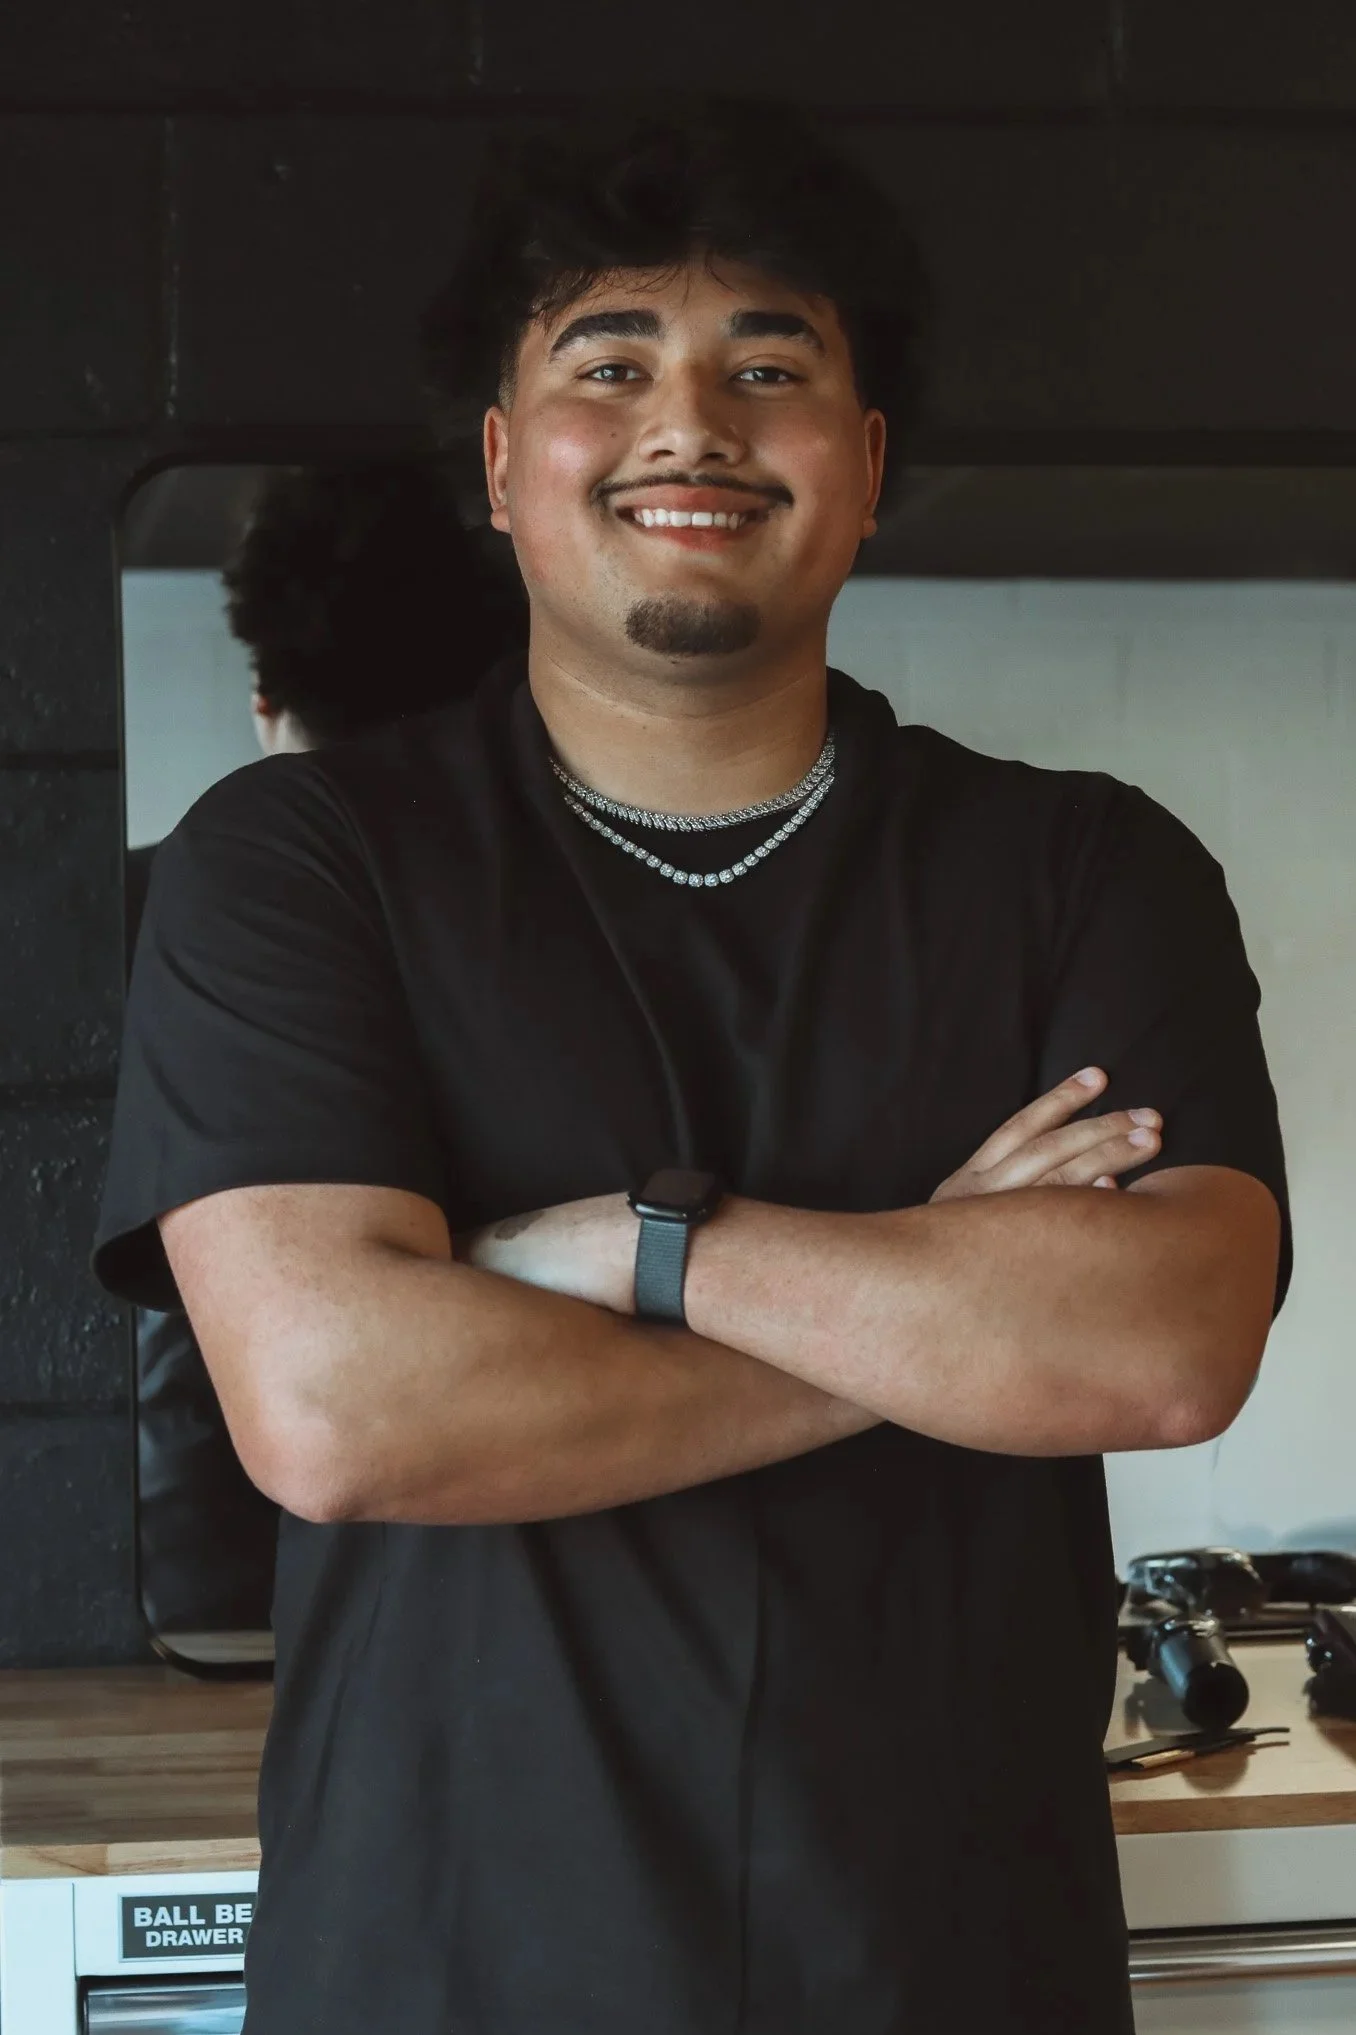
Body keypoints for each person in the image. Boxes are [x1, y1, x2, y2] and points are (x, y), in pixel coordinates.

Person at [95, 100, 1289, 2034]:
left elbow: (1160, 1349)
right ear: (502, 463)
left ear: (868, 463)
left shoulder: (1084, 866)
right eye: (611, 362)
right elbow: (337, 1408)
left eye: (769, 366)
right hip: (449, 1963)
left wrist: (639, 1253)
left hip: (949, 1965)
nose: (692, 426)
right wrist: (931, 1306)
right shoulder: (299, 864)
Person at [128, 460, 523, 1642]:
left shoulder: (125, 903)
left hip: (177, 1570)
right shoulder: (546, 927)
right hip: (496, 1577)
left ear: (264, 692)